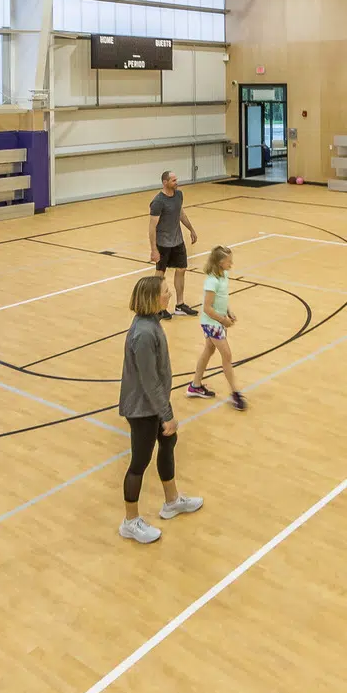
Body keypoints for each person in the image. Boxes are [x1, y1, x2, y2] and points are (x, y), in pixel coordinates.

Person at [118, 275, 202, 544]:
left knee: (168, 442)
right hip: (142, 408)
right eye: (166, 291)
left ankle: (172, 501)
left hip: (154, 402)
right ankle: (130, 522)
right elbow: (149, 379)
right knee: (139, 462)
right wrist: (166, 415)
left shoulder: (151, 322)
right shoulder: (143, 333)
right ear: (153, 298)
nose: (169, 295)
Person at [186, 245, 249, 411]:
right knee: (227, 355)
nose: (231, 264)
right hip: (212, 323)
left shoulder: (224, 275)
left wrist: (228, 311)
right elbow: (207, 308)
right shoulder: (211, 281)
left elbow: (222, 299)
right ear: (220, 262)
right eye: (229, 261)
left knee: (208, 350)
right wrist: (223, 320)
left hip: (218, 321)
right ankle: (235, 393)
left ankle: (195, 385)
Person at [148, 170, 199, 320]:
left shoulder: (179, 195)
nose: (177, 182)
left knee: (181, 269)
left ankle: (180, 305)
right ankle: (158, 307)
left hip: (177, 241)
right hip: (163, 243)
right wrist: (154, 249)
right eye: (174, 180)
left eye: (176, 179)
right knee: (160, 274)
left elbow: (181, 213)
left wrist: (191, 229)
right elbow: (152, 227)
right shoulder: (158, 202)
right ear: (165, 182)